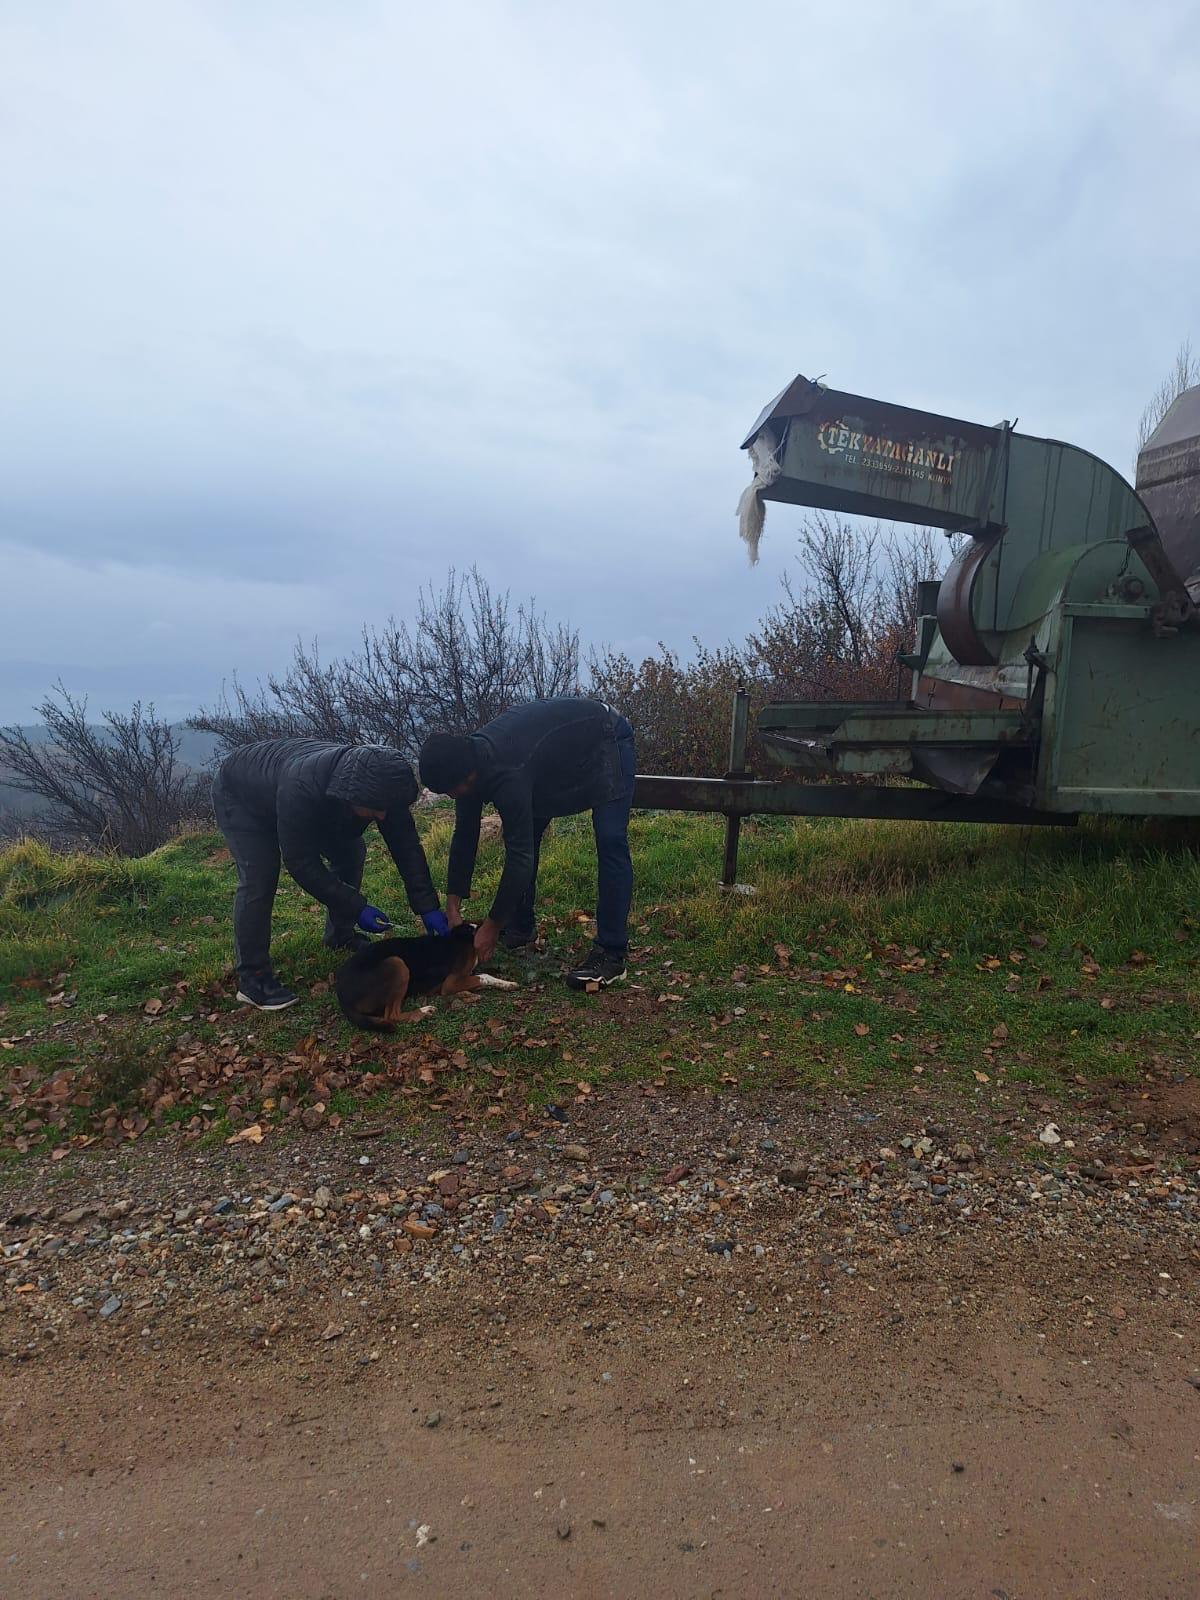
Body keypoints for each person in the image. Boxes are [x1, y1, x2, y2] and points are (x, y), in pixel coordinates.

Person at [211, 738, 449, 1011]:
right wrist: (356, 907)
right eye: (375, 809)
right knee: (259, 877)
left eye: (386, 809)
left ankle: (339, 935)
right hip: (242, 797)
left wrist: (427, 906)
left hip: (298, 793)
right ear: (352, 797)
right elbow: (301, 863)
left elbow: (407, 848)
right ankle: (253, 979)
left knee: (351, 854)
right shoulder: (302, 789)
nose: (382, 816)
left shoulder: (383, 791)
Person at [418, 698, 635, 991]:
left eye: (453, 790)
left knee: (610, 838)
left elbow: (520, 858)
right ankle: (520, 927)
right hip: (551, 757)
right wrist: (453, 905)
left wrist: (492, 925)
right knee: (527, 833)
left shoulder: (508, 772)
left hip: (604, 736)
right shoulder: (466, 767)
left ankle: (611, 952)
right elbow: (465, 837)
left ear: (468, 774)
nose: (454, 796)